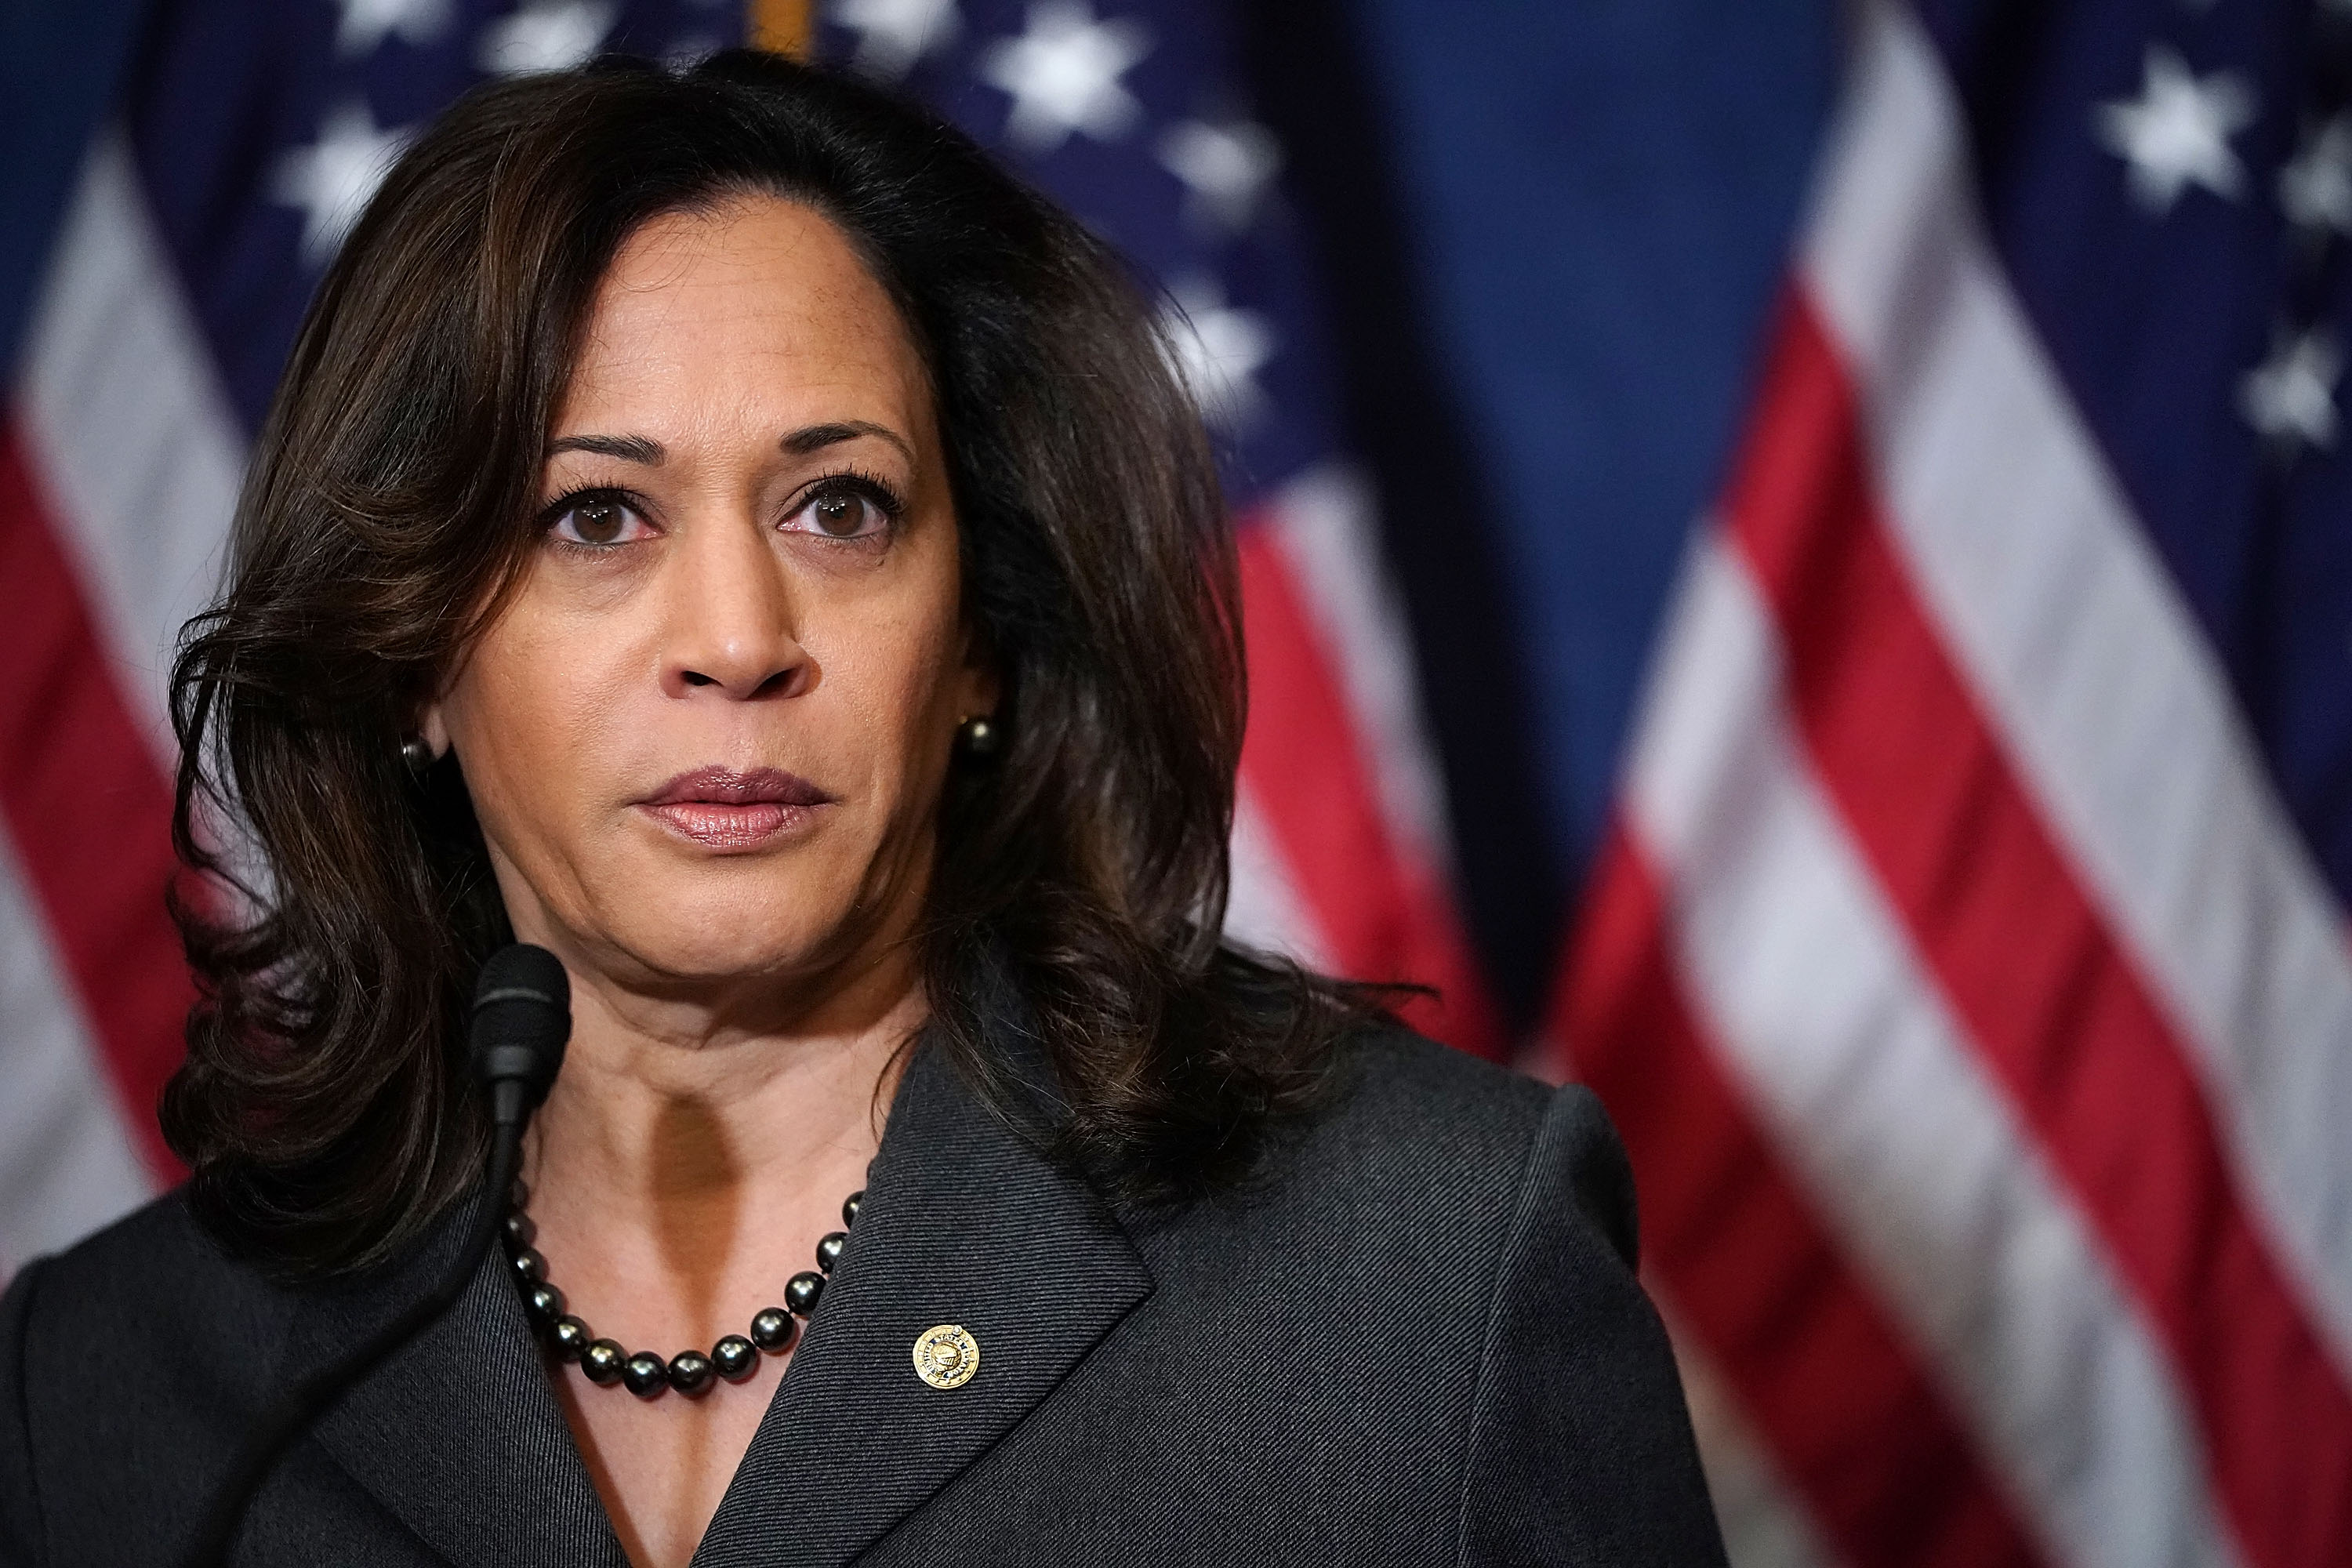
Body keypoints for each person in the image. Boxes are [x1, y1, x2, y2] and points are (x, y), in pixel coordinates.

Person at [0, 50, 1726, 1568]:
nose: (742, 641)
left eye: (841, 508)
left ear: (976, 637)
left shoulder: (1428, 1284)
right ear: (410, 663)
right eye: (597, 521)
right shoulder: (111, 1394)